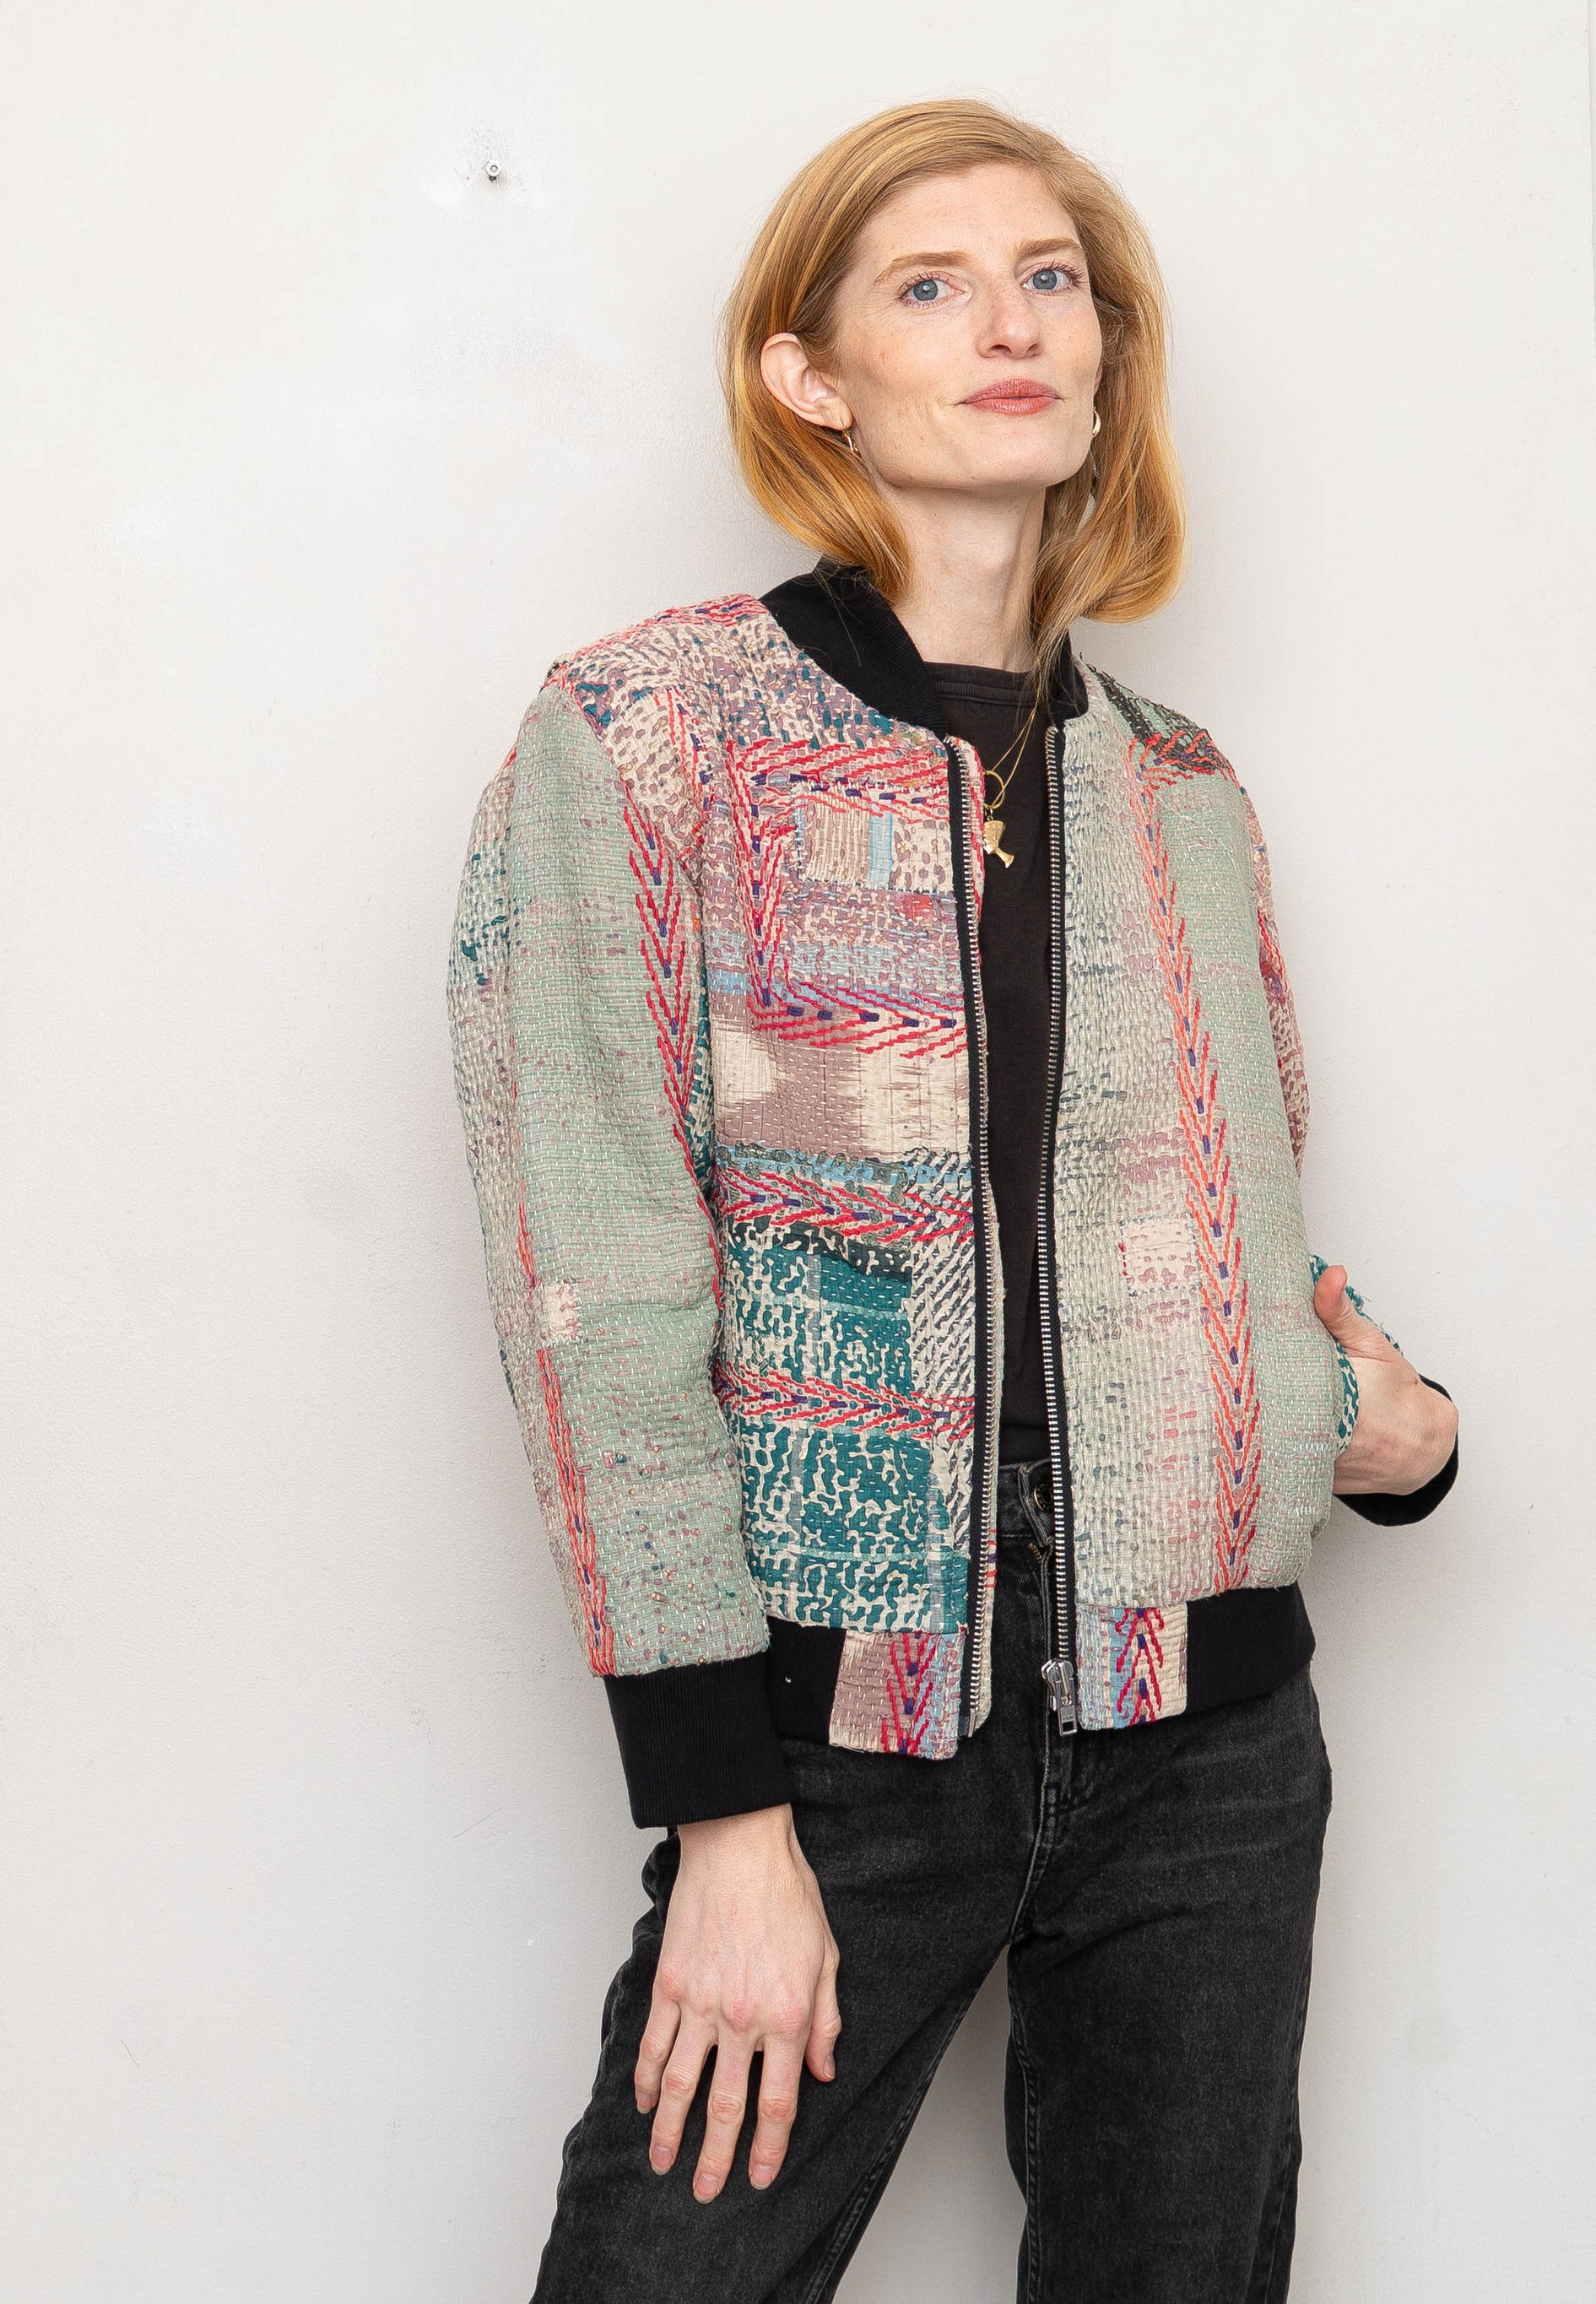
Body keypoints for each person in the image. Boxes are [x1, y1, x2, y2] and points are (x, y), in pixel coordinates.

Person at [446, 96, 1459, 2304]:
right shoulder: (646, 738)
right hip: (841, 1734)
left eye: (1052, 280)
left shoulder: (1178, 785)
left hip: (1207, 1737)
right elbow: (594, 1288)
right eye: (933, 284)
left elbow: (1223, 1224)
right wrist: (727, 1816)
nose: (1014, 324)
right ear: (809, 374)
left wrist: (1391, 1426)